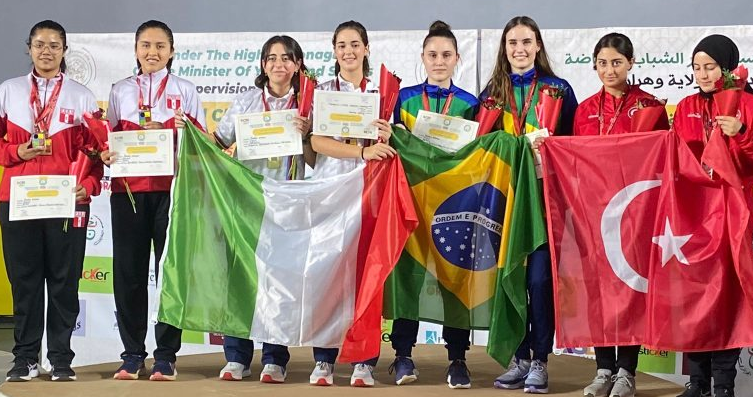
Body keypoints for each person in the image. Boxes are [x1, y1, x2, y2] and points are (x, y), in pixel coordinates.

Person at [102, 20, 207, 381]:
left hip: (172, 193)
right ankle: (132, 354)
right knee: (128, 275)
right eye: (146, 45)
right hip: (128, 193)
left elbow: (202, 143)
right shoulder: (119, 91)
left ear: (172, 51)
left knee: (169, 275)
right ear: (135, 50)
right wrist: (106, 155)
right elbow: (110, 140)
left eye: (160, 46)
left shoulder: (186, 91)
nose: (152, 52)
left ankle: (166, 356)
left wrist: (178, 130)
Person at [1, 20, 103, 382]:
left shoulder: (81, 96)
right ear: (29, 48)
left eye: (55, 45)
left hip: (66, 202)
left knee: (64, 281)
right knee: (24, 282)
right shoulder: (9, 91)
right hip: (19, 199)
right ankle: (25, 359)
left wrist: (88, 186)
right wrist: (19, 150)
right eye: (40, 44)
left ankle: (61, 359)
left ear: (64, 51)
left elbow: (94, 152)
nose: (47, 51)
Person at [211, 34, 315, 384]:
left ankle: (275, 357)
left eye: (286, 58)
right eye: (271, 58)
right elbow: (218, 144)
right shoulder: (245, 103)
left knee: (279, 283)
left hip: (288, 205)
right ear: (262, 64)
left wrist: (306, 135)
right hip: (246, 203)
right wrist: (188, 134)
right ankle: (237, 356)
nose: (278, 64)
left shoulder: (308, 105)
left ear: (298, 64)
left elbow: (317, 160)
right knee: (240, 279)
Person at [483, 16, 577, 394]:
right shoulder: (493, 91)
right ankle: (520, 357)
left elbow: (574, 145)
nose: (519, 49)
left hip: (543, 203)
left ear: (538, 45)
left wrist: (549, 149)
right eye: (512, 43)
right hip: (506, 202)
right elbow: (483, 148)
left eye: (526, 42)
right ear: (504, 50)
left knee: (539, 282)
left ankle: (540, 359)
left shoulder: (558, 89)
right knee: (512, 280)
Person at [574, 32, 669, 397]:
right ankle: (602, 369)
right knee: (598, 290)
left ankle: (627, 371)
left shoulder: (650, 106)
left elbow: (662, 160)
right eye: (602, 63)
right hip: (592, 212)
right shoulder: (584, 109)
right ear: (594, 65)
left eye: (616, 62)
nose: (609, 69)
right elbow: (573, 159)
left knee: (630, 287)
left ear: (630, 63)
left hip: (636, 213)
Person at [388, 20, 478, 390]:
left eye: (446, 55)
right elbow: (393, 147)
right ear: (422, 58)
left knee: (453, 280)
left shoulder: (471, 104)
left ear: (457, 58)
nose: (439, 61)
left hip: (453, 205)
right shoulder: (404, 98)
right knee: (406, 276)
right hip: (410, 201)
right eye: (432, 55)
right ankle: (402, 354)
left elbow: (476, 157)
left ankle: (457, 357)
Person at [308, 20, 395, 387]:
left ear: (367, 49)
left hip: (367, 192)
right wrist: (361, 150)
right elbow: (317, 143)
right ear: (334, 51)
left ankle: (364, 361)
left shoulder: (381, 92)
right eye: (342, 45)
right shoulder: (323, 92)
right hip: (329, 191)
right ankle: (324, 359)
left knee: (366, 276)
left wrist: (388, 134)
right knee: (327, 276)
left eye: (355, 44)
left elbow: (387, 146)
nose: (348, 51)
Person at [671, 34, 753, 397]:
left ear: (728, 68)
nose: (703, 74)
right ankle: (697, 381)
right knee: (696, 298)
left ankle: (724, 385)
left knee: (727, 299)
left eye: (711, 67)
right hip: (695, 217)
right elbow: (672, 157)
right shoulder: (686, 105)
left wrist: (743, 132)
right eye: (697, 67)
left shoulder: (746, 104)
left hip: (737, 214)